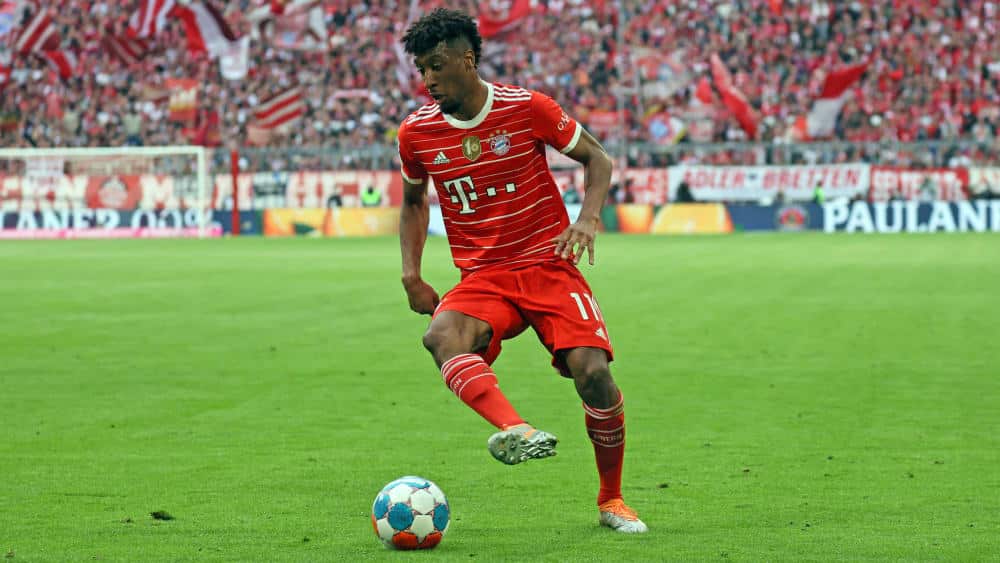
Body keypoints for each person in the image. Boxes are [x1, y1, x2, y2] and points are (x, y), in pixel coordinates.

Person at [396, 9, 646, 534]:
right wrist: (411, 274)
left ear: (467, 59)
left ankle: (612, 500)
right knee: (441, 336)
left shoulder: (526, 107)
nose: (428, 80)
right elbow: (414, 202)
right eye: (422, 70)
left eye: (436, 65)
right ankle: (517, 429)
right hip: (484, 277)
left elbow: (598, 159)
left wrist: (587, 219)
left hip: (546, 265)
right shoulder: (416, 133)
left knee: (594, 375)